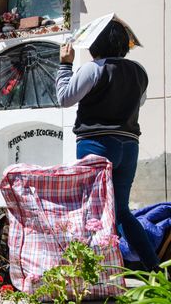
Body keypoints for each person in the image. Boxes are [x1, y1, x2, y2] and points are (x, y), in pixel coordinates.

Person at [56, 20, 159, 271]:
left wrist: (65, 65)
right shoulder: (139, 71)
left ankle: (90, 270)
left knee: (91, 210)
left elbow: (65, 98)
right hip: (129, 144)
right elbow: (140, 102)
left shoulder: (93, 69)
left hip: (96, 143)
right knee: (121, 211)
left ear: (95, 43)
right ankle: (154, 268)